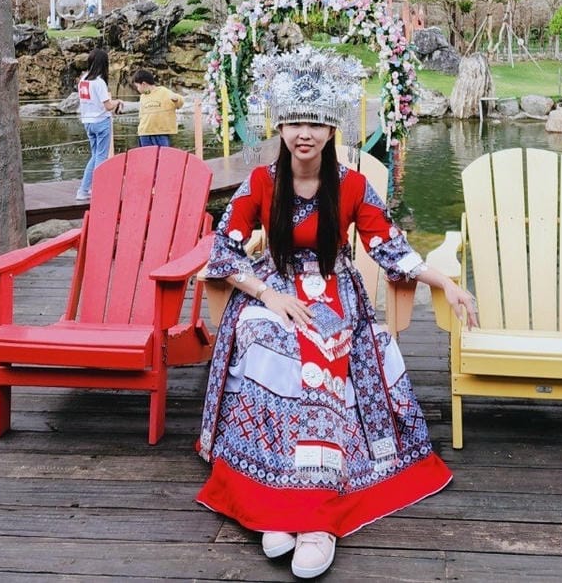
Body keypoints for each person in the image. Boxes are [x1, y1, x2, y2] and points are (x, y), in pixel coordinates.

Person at [198, 46, 477, 580]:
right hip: (270, 288)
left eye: (316, 124)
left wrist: (444, 281)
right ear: (279, 127)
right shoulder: (261, 183)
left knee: (325, 350)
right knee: (268, 344)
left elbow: (389, 247)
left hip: (336, 292)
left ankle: (315, 517)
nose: (304, 133)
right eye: (295, 122)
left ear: (332, 132)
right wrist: (268, 296)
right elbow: (223, 254)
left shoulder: (351, 186)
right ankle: (273, 499)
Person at [75, 48, 121, 201]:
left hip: (87, 122)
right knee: (101, 157)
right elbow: (107, 106)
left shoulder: (83, 80)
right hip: (101, 122)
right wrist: (118, 102)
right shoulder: (99, 82)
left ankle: (83, 190)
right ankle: (98, 190)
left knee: (94, 155)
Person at [131, 68, 183, 147]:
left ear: (144, 84)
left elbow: (180, 103)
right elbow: (141, 115)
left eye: (137, 86)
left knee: (162, 155)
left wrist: (176, 99)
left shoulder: (163, 91)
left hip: (161, 132)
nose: (137, 89)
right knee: (147, 156)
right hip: (145, 133)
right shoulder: (143, 97)